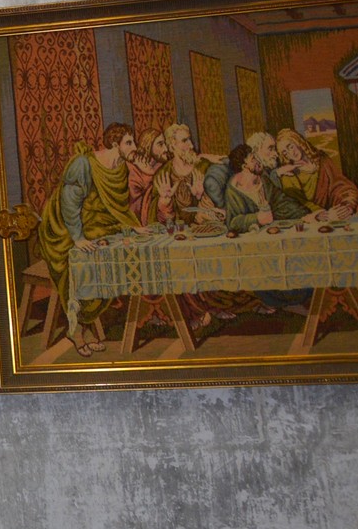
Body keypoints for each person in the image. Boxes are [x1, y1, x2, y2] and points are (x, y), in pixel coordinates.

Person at [35, 123, 142, 355]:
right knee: (89, 260)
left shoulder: (121, 168)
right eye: (129, 142)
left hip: (98, 226)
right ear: (115, 144)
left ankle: (84, 324)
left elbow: (115, 208)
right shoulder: (84, 164)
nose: (135, 147)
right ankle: (76, 329)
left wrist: (133, 227)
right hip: (63, 229)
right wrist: (77, 238)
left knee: (115, 258)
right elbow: (69, 203)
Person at [142, 123, 224, 228]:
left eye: (190, 140)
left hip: (205, 231)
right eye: (185, 141)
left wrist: (202, 197)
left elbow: (219, 210)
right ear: (172, 146)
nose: (191, 146)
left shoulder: (204, 167)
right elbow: (158, 222)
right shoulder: (163, 174)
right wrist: (164, 204)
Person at [274, 128, 358, 220]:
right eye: (285, 153)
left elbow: (341, 187)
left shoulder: (322, 160)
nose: (291, 153)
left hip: (336, 214)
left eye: (290, 147)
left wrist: (346, 206)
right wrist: (323, 215)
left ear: (298, 142)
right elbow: (298, 203)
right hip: (314, 219)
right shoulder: (289, 175)